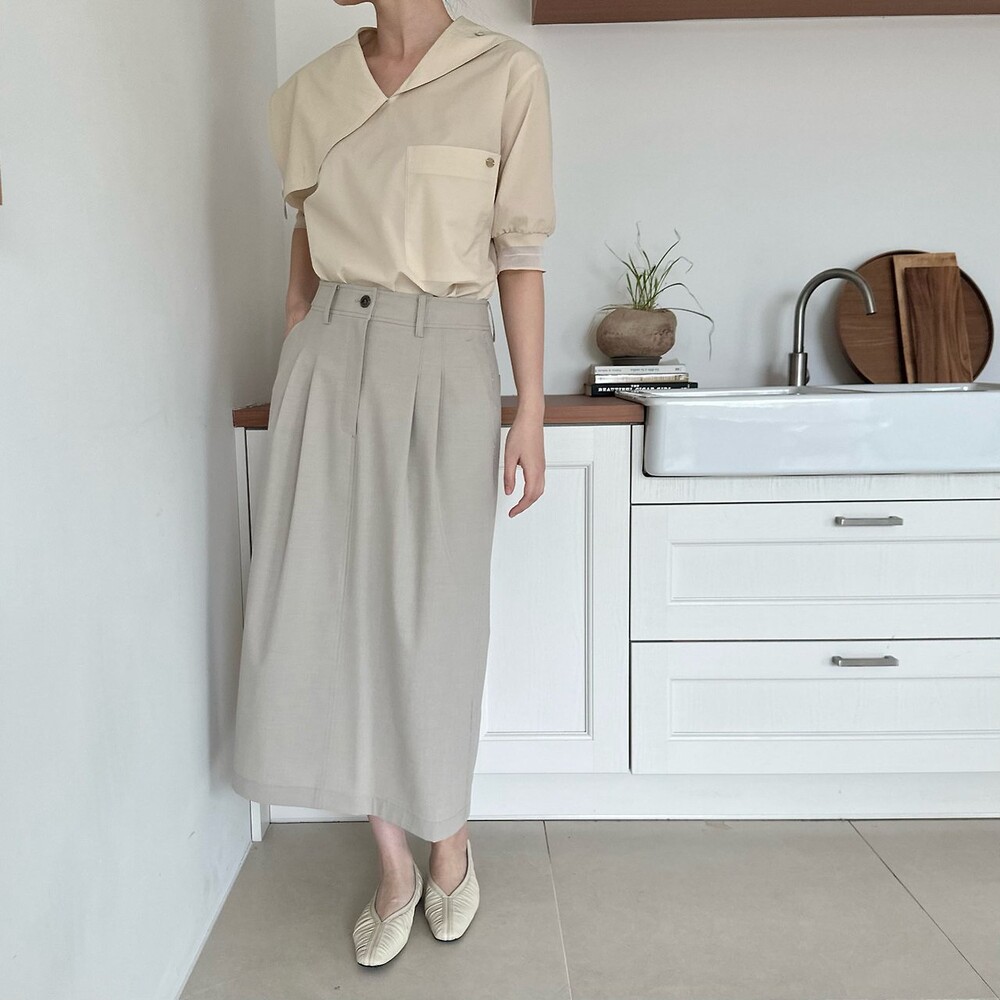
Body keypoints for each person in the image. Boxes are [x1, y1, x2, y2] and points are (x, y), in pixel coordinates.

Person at [230, 0, 556, 967]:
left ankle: (447, 834)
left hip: (446, 357)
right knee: (339, 609)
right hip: (330, 359)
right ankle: (393, 864)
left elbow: (519, 257)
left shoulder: (505, 75)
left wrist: (529, 409)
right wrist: (297, 346)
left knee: (434, 614)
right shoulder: (312, 91)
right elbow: (303, 244)